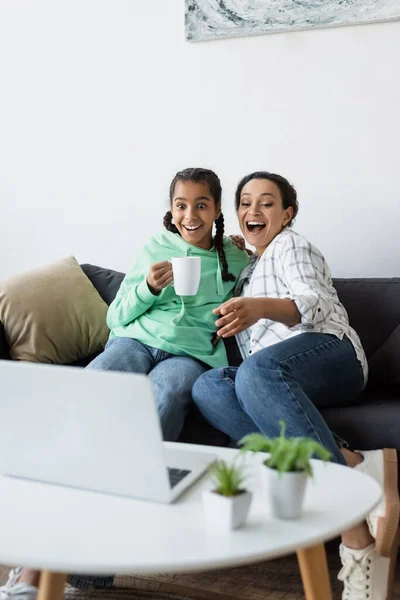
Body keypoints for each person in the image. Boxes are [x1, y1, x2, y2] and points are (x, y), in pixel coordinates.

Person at [0, 167, 249, 600]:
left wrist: (245, 249)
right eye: (181, 205)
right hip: (135, 342)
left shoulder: (236, 258)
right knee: (90, 391)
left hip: (189, 357)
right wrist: (148, 289)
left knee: (161, 401)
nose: (190, 214)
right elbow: (116, 318)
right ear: (170, 210)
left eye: (201, 205)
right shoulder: (154, 248)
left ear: (216, 210)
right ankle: (35, 555)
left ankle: (78, 568)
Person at [192, 171, 399, 600]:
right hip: (273, 375)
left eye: (266, 203)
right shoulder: (247, 268)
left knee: (256, 374)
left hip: (330, 354)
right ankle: (353, 462)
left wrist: (258, 308)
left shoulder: (293, 245)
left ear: (287, 214)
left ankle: (354, 536)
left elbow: (316, 302)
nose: (254, 210)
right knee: (209, 386)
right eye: (245, 202)